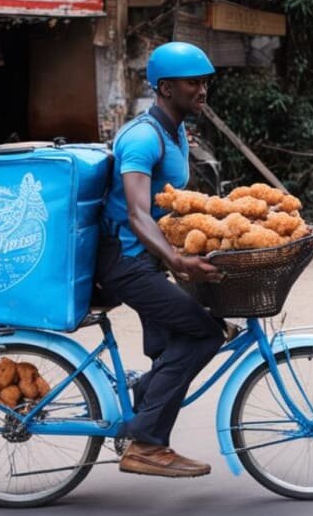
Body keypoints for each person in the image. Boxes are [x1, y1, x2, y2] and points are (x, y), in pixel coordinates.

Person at [94, 42, 226, 478]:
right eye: (193, 82)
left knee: (174, 347)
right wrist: (175, 258)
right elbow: (137, 212)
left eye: (205, 81)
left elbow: (170, 203)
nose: (202, 89)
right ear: (166, 88)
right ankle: (145, 444)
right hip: (126, 263)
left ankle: (143, 399)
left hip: (147, 260)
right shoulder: (142, 138)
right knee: (205, 333)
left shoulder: (175, 132)